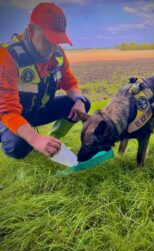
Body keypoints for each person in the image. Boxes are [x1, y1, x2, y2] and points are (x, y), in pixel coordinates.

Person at [0, 2, 90, 159]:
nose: (52, 47)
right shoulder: (7, 56)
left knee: (82, 103)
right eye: (49, 39)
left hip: (37, 109)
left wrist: (78, 99)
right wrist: (35, 139)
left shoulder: (58, 54)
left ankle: (54, 139)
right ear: (31, 30)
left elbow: (70, 83)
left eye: (58, 40)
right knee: (17, 146)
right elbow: (8, 110)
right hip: (8, 116)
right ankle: (30, 139)